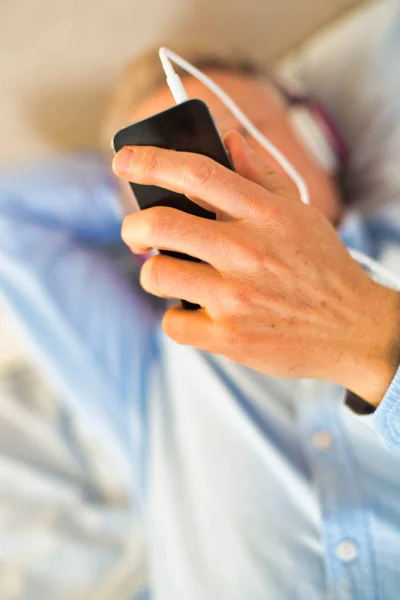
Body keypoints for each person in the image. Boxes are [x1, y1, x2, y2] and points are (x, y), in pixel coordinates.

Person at [1, 34, 400, 600]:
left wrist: (374, 335)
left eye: (238, 141)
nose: (215, 184)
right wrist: (140, 196)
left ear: (321, 138)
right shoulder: (159, 364)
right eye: (173, 181)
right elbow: (12, 217)